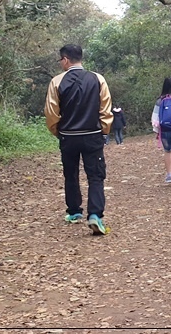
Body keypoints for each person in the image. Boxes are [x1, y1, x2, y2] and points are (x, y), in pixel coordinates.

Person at [44, 44, 113, 235]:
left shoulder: (57, 82)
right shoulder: (98, 79)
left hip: (68, 136)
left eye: (60, 60)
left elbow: (51, 113)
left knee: (71, 173)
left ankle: (74, 212)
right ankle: (95, 215)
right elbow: (105, 110)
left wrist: (58, 131)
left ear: (65, 59)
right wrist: (104, 131)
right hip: (92, 135)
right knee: (96, 175)